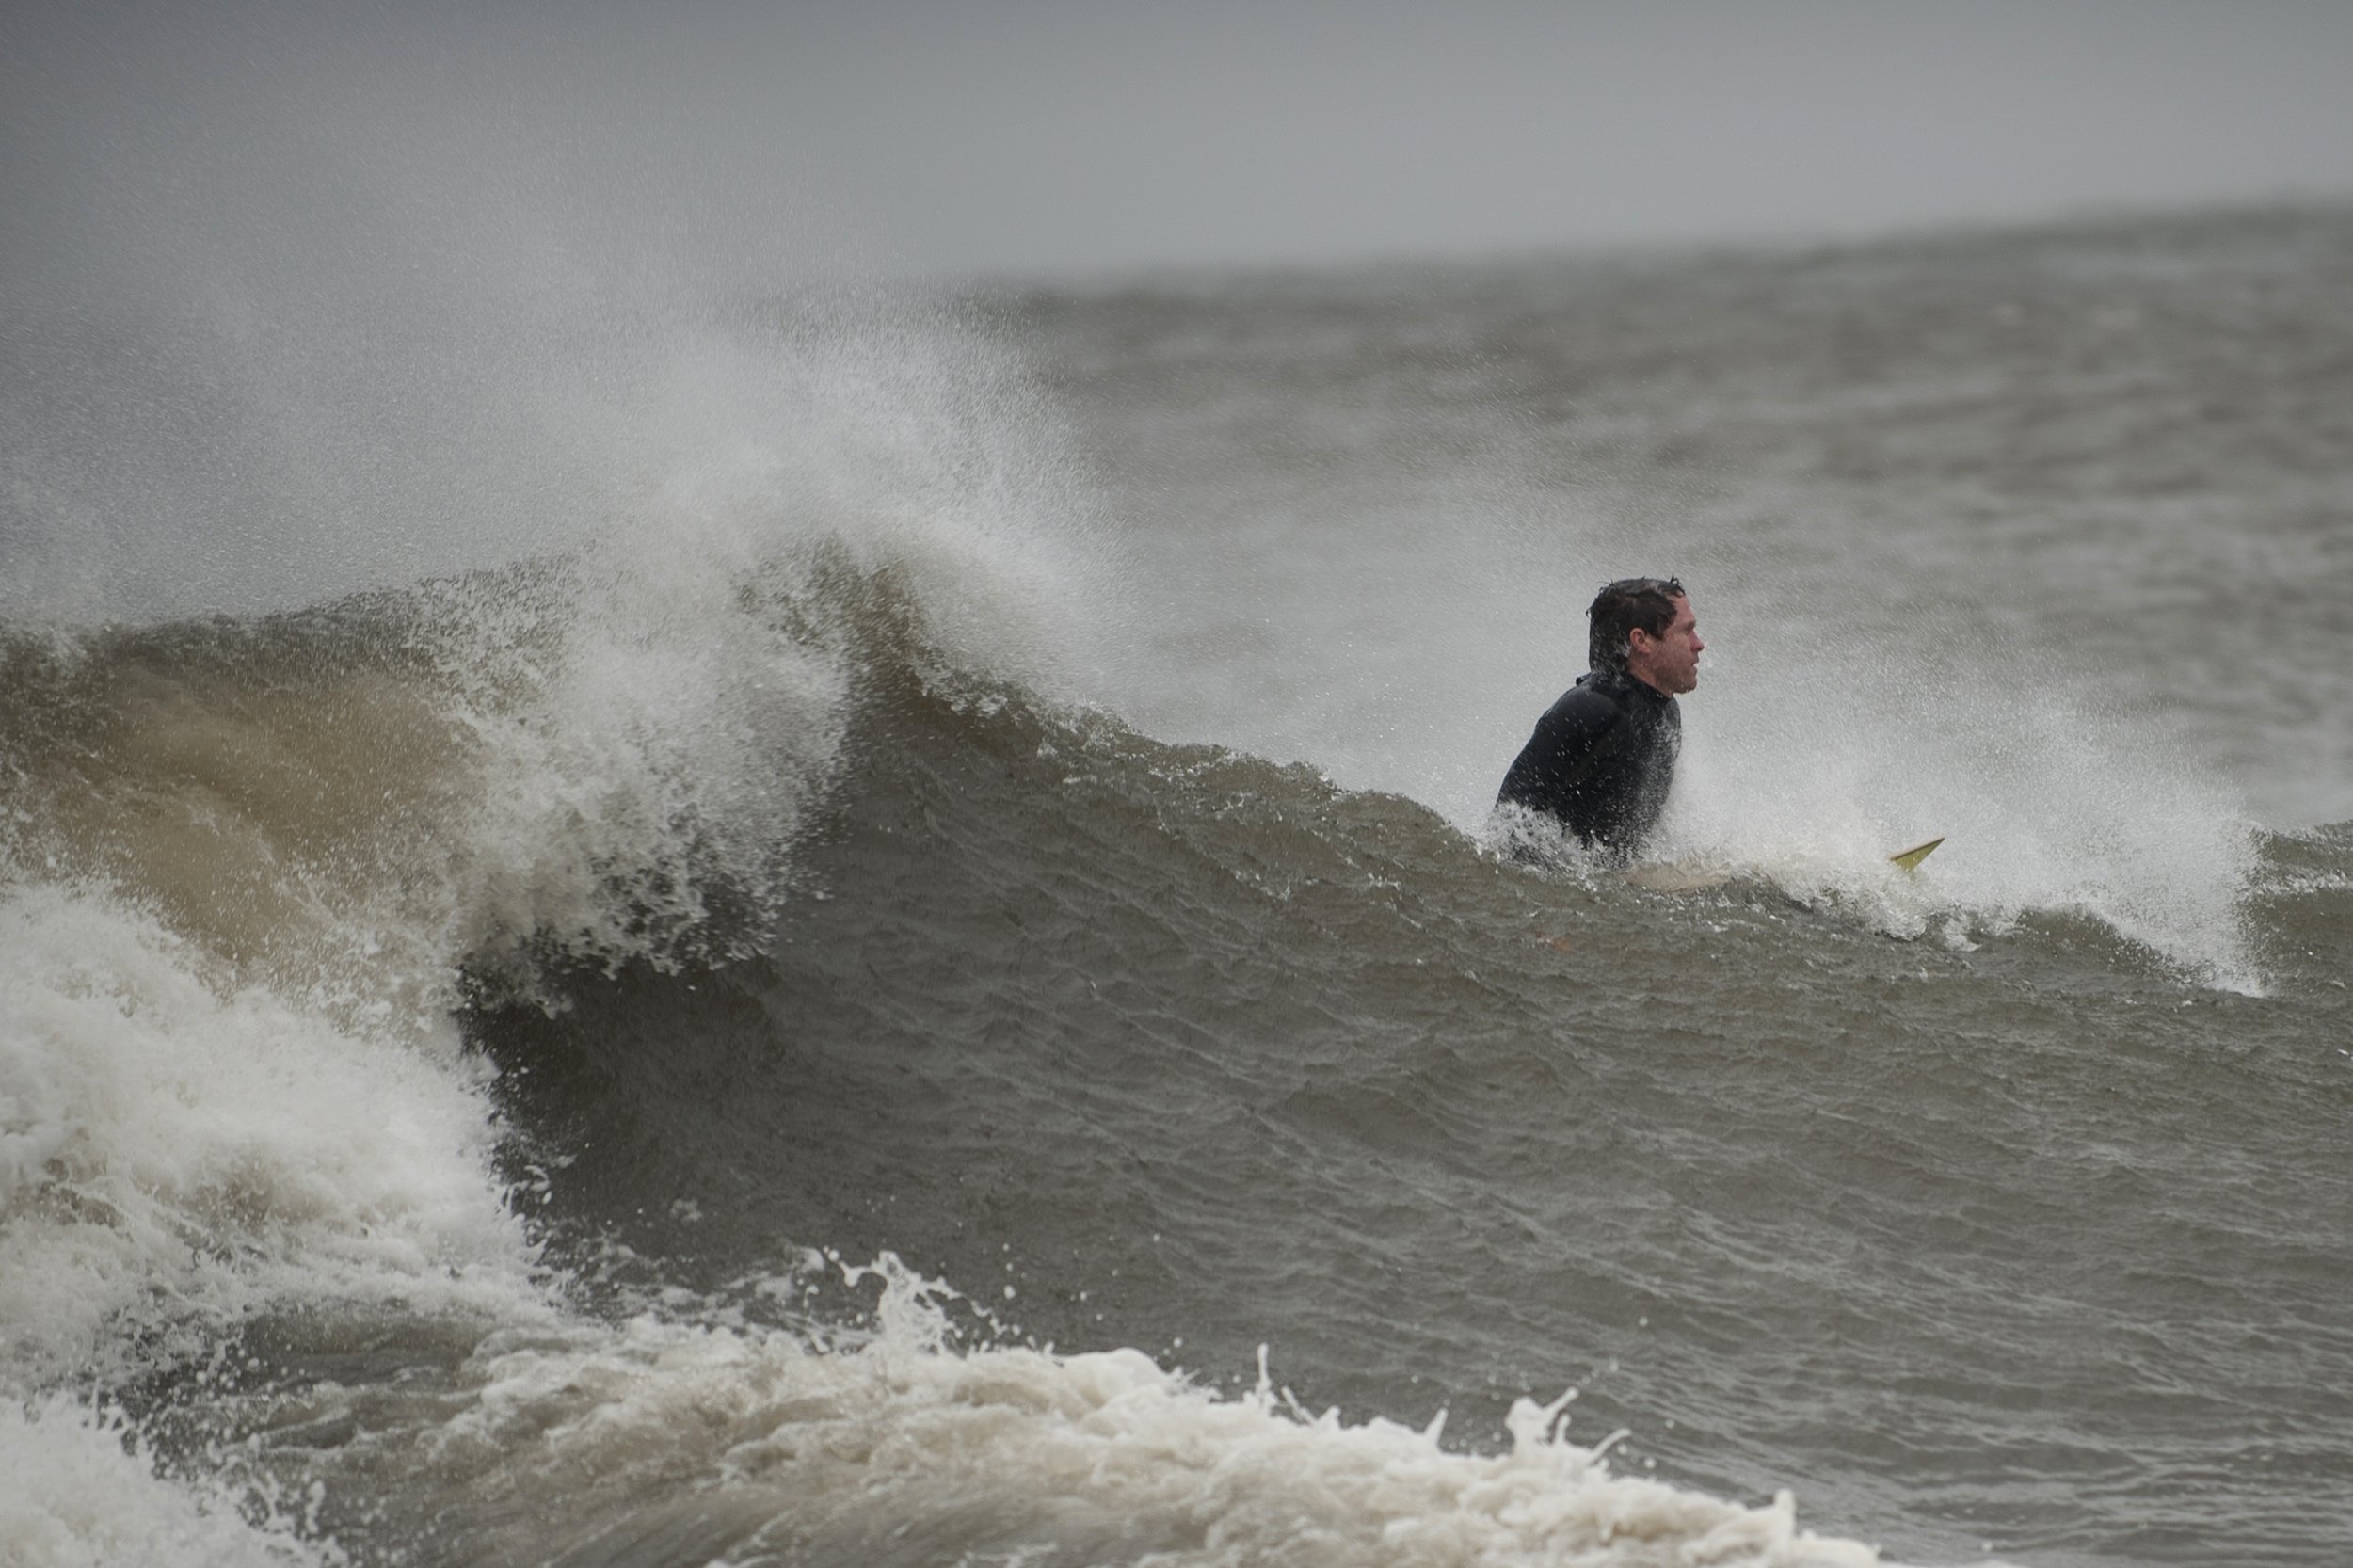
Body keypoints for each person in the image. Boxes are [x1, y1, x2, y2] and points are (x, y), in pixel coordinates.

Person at [1497, 576, 1703, 856]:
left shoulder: (1666, 713)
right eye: (1686, 631)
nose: (1698, 644)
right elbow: (1508, 820)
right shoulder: (1589, 709)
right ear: (1641, 640)